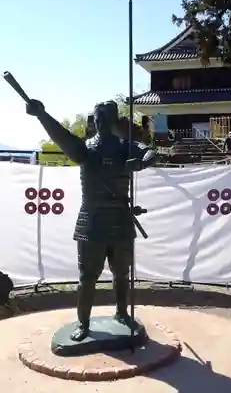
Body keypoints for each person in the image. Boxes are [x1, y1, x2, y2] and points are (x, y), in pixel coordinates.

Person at [26, 98, 157, 341]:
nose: (101, 122)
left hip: (120, 219)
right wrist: (42, 115)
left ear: (113, 121)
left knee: (122, 274)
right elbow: (60, 135)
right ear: (94, 120)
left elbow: (152, 153)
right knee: (87, 277)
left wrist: (140, 163)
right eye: (98, 118)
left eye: (105, 118)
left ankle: (122, 313)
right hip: (92, 221)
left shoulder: (124, 147)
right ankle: (83, 323)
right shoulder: (84, 149)